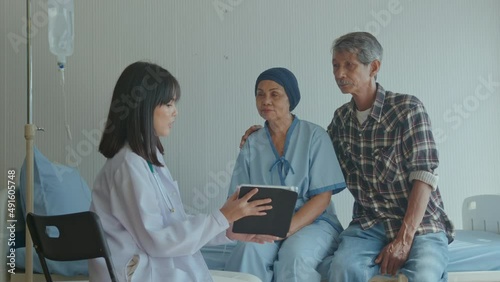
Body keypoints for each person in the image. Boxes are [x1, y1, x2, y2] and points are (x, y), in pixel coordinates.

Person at [89, 61, 278, 282]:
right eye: (168, 104)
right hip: (139, 273)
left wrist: (228, 229)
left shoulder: (148, 160)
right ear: (144, 107)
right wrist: (222, 217)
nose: (175, 112)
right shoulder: (128, 165)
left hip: (154, 266)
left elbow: (173, 224)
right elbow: (157, 240)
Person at [325, 32, 455, 281]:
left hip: (421, 225)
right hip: (369, 224)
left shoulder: (407, 109)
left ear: (374, 67)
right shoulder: (341, 120)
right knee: (342, 269)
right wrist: (272, 131)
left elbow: (424, 175)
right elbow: (315, 155)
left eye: (348, 65)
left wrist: (404, 240)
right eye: (335, 66)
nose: (339, 74)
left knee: (424, 275)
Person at [225, 67, 347, 282]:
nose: (266, 100)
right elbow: (238, 196)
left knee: (295, 256)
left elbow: (322, 198)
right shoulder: (252, 142)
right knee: (247, 251)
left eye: (275, 94)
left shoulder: (315, 136)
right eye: (260, 94)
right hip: (264, 223)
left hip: (314, 222)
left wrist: (286, 228)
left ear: (290, 98)